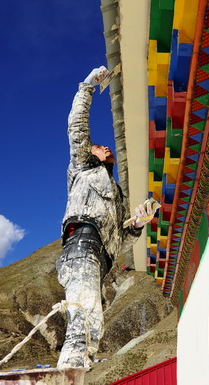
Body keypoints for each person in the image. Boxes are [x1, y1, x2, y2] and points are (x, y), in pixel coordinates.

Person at [56, 66, 158, 369]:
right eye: (98, 146)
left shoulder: (115, 194)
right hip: (81, 246)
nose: (104, 146)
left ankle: (76, 367)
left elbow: (121, 239)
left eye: (105, 146)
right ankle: (71, 368)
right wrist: (87, 87)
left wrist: (139, 222)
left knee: (91, 319)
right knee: (86, 316)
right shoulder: (83, 169)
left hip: (99, 258)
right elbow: (77, 128)